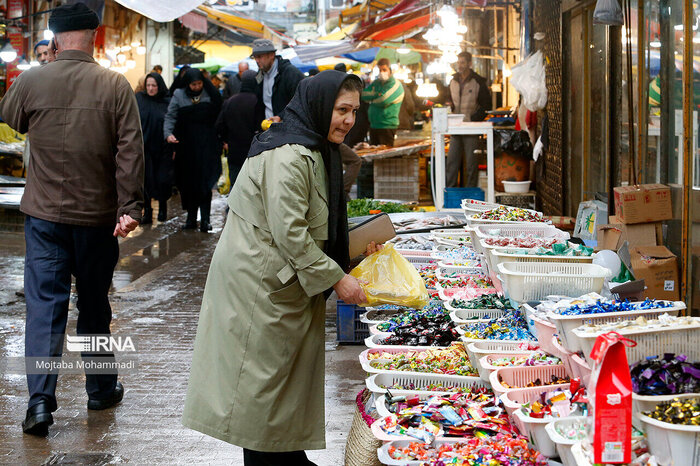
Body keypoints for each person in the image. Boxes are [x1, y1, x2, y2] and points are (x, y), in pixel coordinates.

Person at [182, 71, 376, 465]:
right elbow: (291, 234)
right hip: (259, 285)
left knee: (281, 386)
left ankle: (289, 457)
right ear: (320, 106)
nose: (348, 120)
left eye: (354, 111)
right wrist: (338, 279)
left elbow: (312, 223)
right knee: (260, 390)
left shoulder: (315, 147)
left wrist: (352, 250)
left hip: (282, 280)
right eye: (341, 110)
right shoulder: (289, 155)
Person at [0, 2, 143, 436]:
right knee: (95, 305)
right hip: (98, 218)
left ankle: (40, 403)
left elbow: (10, 121)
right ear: (95, 37)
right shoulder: (115, 85)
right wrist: (130, 207)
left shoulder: (31, 80)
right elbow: (130, 151)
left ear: (55, 38)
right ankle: (100, 389)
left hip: (44, 216)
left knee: (45, 308)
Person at [164, 68, 223, 232]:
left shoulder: (210, 94)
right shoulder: (178, 95)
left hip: (207, 146)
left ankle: (205, 220)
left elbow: (219, 113)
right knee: (188, 183)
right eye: (193, 84)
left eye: (199, 83)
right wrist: (168, 134)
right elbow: (171, 116)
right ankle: (191, 219)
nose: (197, 87)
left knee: (205, 183)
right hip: (186, 148)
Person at [446, 51, 491, 187]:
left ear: (469, 64)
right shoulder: (452, 81)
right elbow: (449, 101)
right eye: (458, 62)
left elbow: (487, 106)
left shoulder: (478, 81)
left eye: (463, 62)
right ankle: (450, 193)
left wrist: (473, 118)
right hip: (455, 129)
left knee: (471, 165)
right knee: (451, 163)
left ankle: (471, 195)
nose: (460, 65)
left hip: (471, 129)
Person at [215, 70, 264, 187]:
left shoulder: (230, 102)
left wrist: (225, 140)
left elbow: (219, 126)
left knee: (236, 186)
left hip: (234, 151)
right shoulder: (258, 102)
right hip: (254, 152)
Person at [136, 72, 173, 223]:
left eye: (154, 85)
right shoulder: (140, 99)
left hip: (163, 148)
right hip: (145, 147)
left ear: (160, 86)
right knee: (146, 181)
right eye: (148, 85)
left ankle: (163, 208)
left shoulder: (167, 102)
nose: (151, 89)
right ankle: (148, 212)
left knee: (162, 180)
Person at [251, 38, 305, 120]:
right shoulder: (260, 74)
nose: (257, 61)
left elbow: (300, 103)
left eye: (260, 56)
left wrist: (281, 117)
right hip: (268, 128)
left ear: (272, 55)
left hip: (288, 128)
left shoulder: (290, 73)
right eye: (255, 57)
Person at [361, 58, 404, 147]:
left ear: (390, 70)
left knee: (385, 156)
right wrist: (377, 95)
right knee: (374, 155)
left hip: (387, 126)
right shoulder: (377, 83)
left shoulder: (396, 85)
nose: (382, 72)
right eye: (380, 70)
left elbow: (384, 100)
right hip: (373, 125)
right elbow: (363, 94)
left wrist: (372, 98)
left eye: (384, 70)